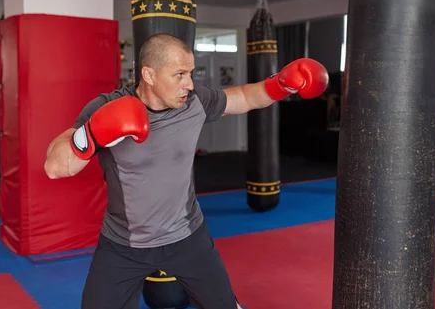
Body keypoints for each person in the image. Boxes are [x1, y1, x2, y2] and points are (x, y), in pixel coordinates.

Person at [43, 33, 329, 309]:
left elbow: (244, 96)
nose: (189, 84)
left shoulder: (195, 104)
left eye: (190, 73)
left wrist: (282, 85)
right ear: (149, 75)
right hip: (123, 244)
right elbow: (56, 167)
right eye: (179, 74)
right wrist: (93, 133)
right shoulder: (106, 107)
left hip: (188, 237)